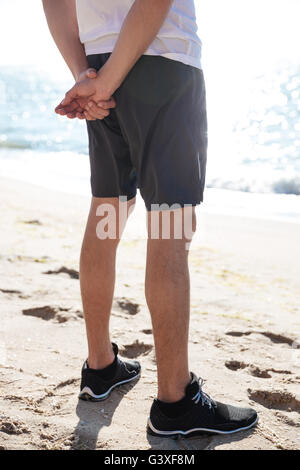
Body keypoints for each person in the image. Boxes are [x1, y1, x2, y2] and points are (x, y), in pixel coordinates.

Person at [42, 0, 258, 438]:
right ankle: (176, 403)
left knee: (108, 209)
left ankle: (100, 367)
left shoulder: (96, 74)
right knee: (171, 227)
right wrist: (106, 82)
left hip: (100, 63)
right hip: (159, 65)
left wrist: (88, 77)